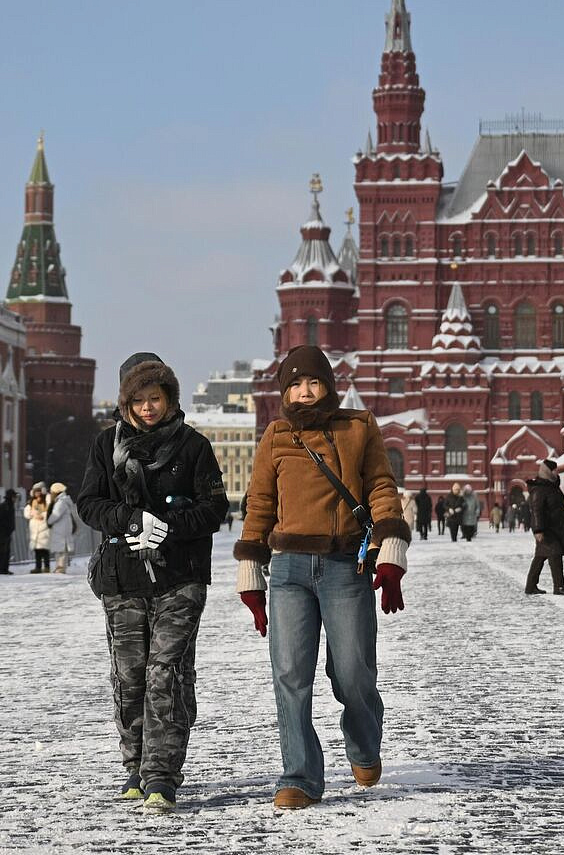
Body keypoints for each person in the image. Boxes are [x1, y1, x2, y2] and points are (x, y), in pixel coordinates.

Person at [235, 344, 411, 810]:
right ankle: (299, 776)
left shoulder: (358, 426)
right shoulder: (276, 436)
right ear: (284, 392)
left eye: (313, 382)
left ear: (328, 385)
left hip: (344, 566)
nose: (305, 392)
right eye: (295, 384)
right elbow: (260, 503)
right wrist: (250, 571)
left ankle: (364, 744)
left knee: (353, 672)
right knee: (290, 674)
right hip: (288, 569)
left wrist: (391, 553)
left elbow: (380, 486)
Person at [75, 352, 230, 813]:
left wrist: (167, 525)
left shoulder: (194, 446)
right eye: (138, 399)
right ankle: (136, 765)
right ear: (125, 402)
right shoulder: (105, 446)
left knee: (166, 672)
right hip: (122, 578)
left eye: (155, 398)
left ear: (170, 398)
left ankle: (161, 774)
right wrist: (129, 519)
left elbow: (214, 509)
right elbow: (89, 504)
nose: (148, 407)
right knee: (129, 676)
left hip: (180, 576)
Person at [525, 462, 564, 595]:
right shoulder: (539, 489)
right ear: (547, 471)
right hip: (546, 529)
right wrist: (538, 530)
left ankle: (531, 586)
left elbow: (559, 508)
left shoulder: (553, 487)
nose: (556, 473)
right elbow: (536, 511)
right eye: (554, 470)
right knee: (555, 554)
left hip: (556, 528)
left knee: (540, 556)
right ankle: (559, 587)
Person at [47, 482, 79, 573]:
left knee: (61, 549)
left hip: (60, 530)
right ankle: (60, 567)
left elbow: (55, 515)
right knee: (61, 549)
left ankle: (60, 567)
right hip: (63, 529)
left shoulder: (60, 502)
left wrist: (49, 521)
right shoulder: (64, 501)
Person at [0, 485, 17, 575]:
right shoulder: (5, 506)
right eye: (14, 497)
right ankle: (0, 569)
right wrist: (6, 528)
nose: (15, 499)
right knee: (1, 552)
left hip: (6, 532)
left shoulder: (9, 506)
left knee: (6, 552)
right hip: (1, 532)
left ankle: (4, 569)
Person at [25, 484, 53, 574]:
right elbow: (27, 513)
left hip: (43, 528)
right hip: (35, 528)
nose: (37, 494)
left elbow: (49, 512)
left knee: (45, 549)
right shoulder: (31, 502)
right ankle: (38, 567)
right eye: (36, 492)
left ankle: (47, 567)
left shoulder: (46, 501)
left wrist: (42, 516)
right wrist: (34, 514)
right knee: (37, 550)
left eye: (39, 492)